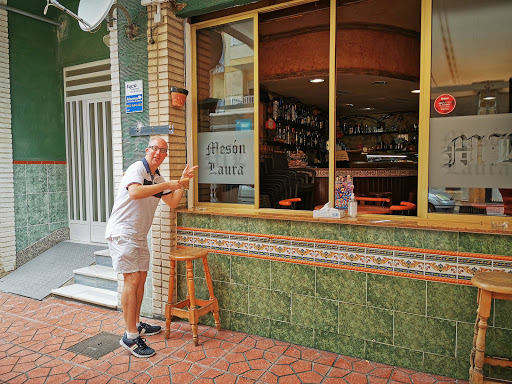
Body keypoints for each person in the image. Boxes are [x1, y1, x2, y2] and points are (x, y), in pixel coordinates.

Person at [105, 137, 197, 358]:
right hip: (122, 232)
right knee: (132, 280)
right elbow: (135, 192)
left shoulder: (157, 177)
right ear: (147, 150)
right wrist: (167, 185)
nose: (158, 152)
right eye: (155, 148)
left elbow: (173, 202)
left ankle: (136, 324)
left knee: (141, 279)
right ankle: (130, 337)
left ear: (165, 156)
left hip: (138, 235)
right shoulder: (137, 169)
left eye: (162, 150)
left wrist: (183, 182)